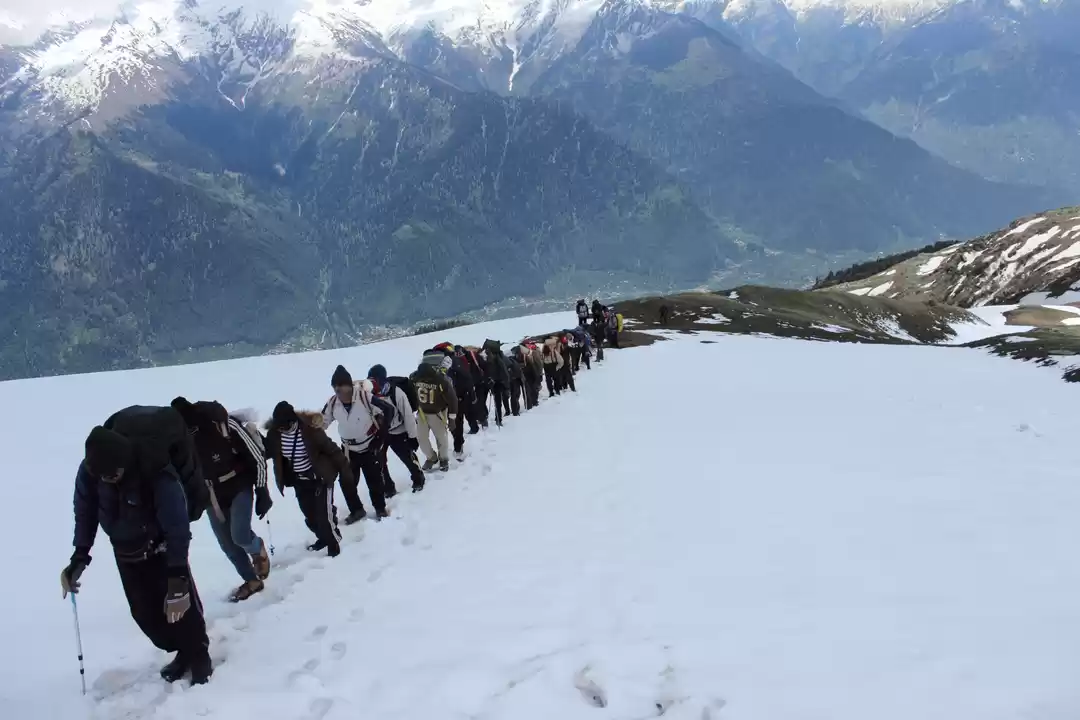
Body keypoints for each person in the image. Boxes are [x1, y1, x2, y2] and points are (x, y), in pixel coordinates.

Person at [62, 406, 213, 685]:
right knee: (146, 616)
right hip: (125, 550)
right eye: (103, 476)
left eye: (113, 475)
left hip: (160, 547)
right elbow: (84, 511)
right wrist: (80, 556)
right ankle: (182, 650)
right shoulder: (92, 471)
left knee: (179, 606)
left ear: (124, 462)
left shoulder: (155, 470)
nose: (108, 480)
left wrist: (178, 573)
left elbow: (177, 525)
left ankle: (198, 653)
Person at [172, 398, 272, 603]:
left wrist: (262, 490)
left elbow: (256, 456)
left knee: (240, 535)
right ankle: (252, 581)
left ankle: (257, 548)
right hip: (211, 494)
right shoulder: (178, 439)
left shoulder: (222, 423)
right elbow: (182, 472)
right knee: (228, 545)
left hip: (238, 484)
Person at [265, 402, 349, 556]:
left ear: (292, 422)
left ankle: (333, 543)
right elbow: (267, 451)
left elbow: (331, 448)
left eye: (283, 426)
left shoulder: (310, 431)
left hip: (320, 478)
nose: (280, 429)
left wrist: (345, 470)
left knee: (324, 516)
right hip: (300, 481)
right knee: (310, 517)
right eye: (278, 426)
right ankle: (323, 538)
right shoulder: (275, 434)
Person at [322, 365, 396, 521]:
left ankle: (380, 509)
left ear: (349, 386)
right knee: (347, 482)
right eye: (336, 388)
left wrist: (380, 438)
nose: (339, 392)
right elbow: (322, 423)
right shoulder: (332, 403)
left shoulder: (365, 397)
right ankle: (357, 510)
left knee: (374, 480)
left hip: (369, 446)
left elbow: (388, 410)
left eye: (342, 388)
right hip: (348, 450)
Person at [369, 364, 427, 494]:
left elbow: (408, 416)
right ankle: (388, 487)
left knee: (408, 457)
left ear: (382, 379)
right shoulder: (369, 395)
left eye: (375, 380)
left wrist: (412, 437)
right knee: (380, 461)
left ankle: (418, 478)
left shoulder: (396, 393)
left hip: (398, 431)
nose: (373, 383)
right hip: (381, 432)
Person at [410, 353, 459, 472]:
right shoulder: (415, 378)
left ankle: (443, 459)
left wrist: (452, 418)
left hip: (438, 413)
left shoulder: (441, 381)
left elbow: (453, 400)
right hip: (422, 413)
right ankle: (432, 457)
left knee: (441, 438)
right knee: (421, 439)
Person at [434, 343, 471, 460]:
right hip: (449, 400)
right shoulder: (437, 366)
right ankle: (457, 444)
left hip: (456, 399)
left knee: (456, 424)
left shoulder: (455, 363)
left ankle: (458, 447)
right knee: (454, 425)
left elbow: (466, 379)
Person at [482, 339, 511, 426]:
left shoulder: (492, 359)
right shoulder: (496, 358)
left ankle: (498, 419)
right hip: (497, 382)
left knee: (497, 401)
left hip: (497, 383)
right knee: (498, 402)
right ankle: (498, 419)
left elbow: (502, 372)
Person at [506, 349, 525, 417]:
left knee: (514, 395)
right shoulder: (512, 362)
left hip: (512, 380)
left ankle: (515, 409)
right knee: (515, 395)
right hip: (515, 380)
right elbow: (517, 371)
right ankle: (515, 411)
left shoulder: (508, 362)